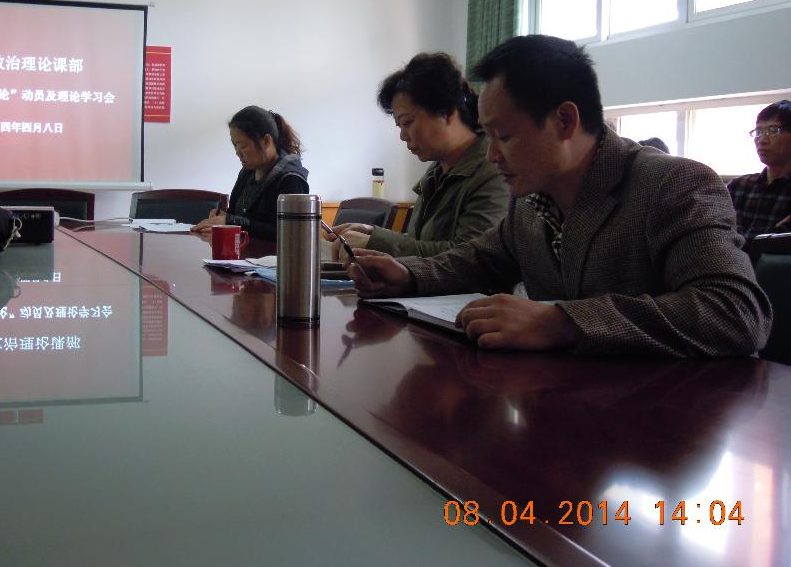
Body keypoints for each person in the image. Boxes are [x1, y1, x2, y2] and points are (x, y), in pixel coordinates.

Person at [349, 34, 770, 357]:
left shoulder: (673, 184)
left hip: (670, 422)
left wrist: (564, 322)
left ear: (565, 121)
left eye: (504, 136)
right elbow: (480, 259)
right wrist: (409, 275)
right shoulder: (531, 200)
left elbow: (734, 312)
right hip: (572, 409)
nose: (491, 155)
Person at [325, 52, 508, 259]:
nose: (403, 136)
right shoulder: (438, 170)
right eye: (400, 126)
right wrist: (373, 233)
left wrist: (376, 242)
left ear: (447, 112)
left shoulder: (493, 170)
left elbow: (470, 257)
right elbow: (423, 242)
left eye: (407, 122)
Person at [192, 105, 309, 239]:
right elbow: (235, 214)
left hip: (273, 253)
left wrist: (231, 221)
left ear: (266, 141)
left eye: (243, 146)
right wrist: (223, 217)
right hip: (243, 250)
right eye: (235, 146)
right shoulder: (247, 172)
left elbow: (288, 233)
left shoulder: (291, 179)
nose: (237, 152)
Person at [726, 100, 791, 239]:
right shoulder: (737, 187)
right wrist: (776, 231)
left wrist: (738, 237)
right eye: (758, 131)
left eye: (773, 130)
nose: (762, 140)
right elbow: (715, 236)